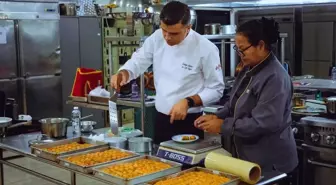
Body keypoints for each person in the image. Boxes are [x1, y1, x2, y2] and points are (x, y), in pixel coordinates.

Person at [194, 17, 298, 183]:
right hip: (247, 159)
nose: (240, 55)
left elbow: (263, 122)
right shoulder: (249, 68)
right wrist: (218, 116)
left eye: (243, 50)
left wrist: (223, 125)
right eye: (237, 49)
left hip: (270, 163)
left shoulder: (275, 77)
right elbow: (234, 102)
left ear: (261, 46)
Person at [110, 1, 224, 145]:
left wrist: (188, 101)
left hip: (190, 122)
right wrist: (125, 72)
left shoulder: (206, 48)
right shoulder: (157, 38)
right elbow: (139, 61)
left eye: (174, 33)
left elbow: (216, 89)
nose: (167, 37)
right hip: (161, 120)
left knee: (188, 166)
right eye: (164, 30)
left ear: (188, 27)